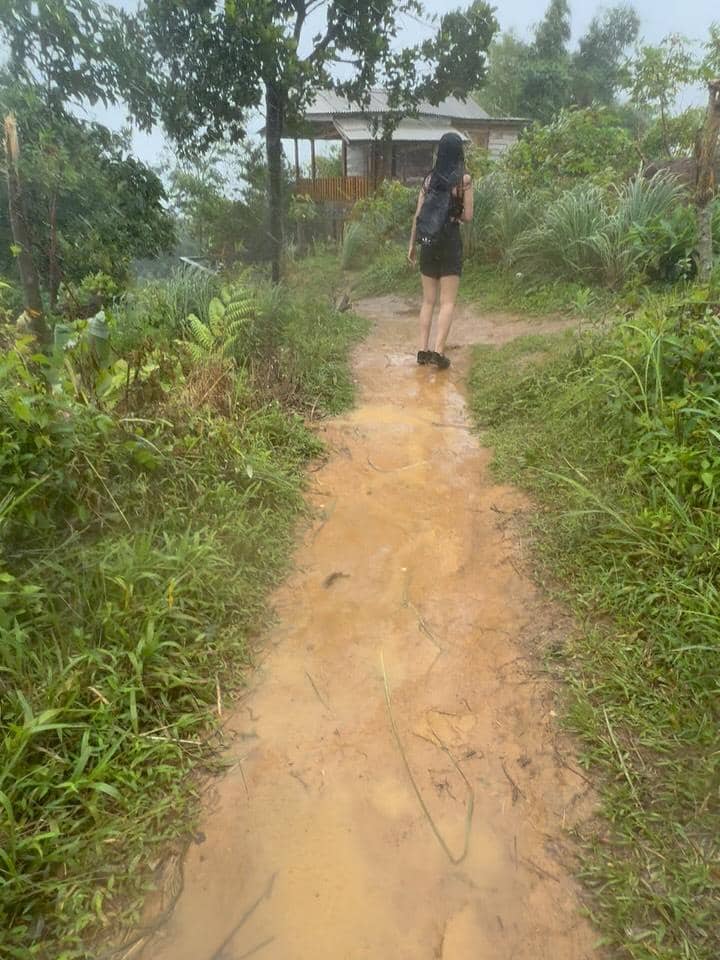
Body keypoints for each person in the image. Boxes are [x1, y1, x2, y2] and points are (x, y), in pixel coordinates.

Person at [407, 132, 474, 370]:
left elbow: (418, 216)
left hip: (428, 242)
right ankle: (438, 352)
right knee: (447, 303)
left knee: (428, 301)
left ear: (440, 152)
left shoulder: (428, 181)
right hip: (450, 242)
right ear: (458, 153)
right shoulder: (463, 181)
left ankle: (422, 351)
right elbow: (468, 216)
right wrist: (454, 213)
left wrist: (411, 246)